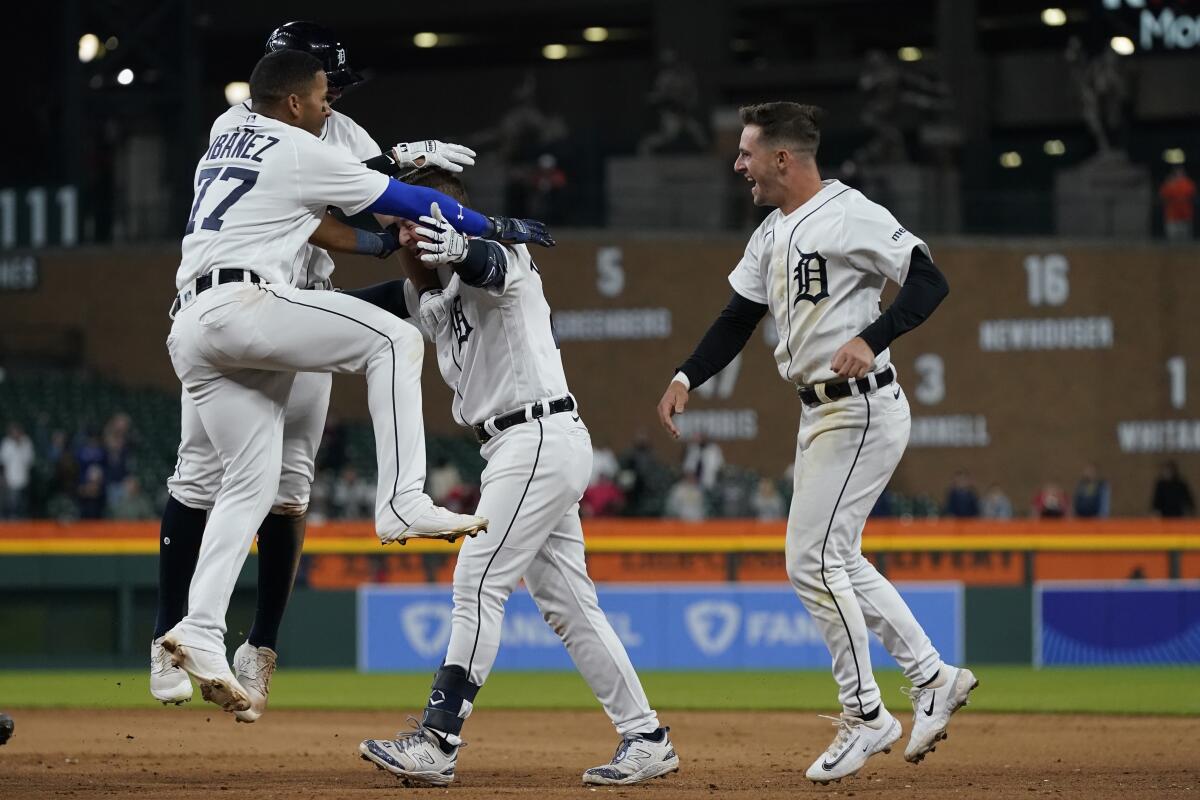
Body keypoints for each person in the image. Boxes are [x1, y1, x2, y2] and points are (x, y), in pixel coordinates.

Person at [159, 49, 553, 716]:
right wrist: (494, 226)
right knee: (395, 338)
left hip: (191, 326)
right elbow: (408, 201)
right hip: (244, 304)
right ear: (290, 104)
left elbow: (346, 210)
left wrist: (382, 205)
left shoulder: (227, 139)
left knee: (251, 484)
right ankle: (401, 499)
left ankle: (197, 628)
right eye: (318, 97)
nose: (326, 107)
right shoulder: (292, 144)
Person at [656, 102, 974, 784]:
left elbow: (929, 278)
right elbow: (737, 317)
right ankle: (933, 678)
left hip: (859, 409)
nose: (738, 164)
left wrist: (872, 337)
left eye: (746, 153)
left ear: (782, 158)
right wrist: (688, 375)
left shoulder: (849, 212)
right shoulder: (771, 232)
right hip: (821, 413)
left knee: (810, 561)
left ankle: (866, 715)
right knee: (838, 560)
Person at [357, 168, 677, 787]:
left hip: (535, 436)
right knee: (570, 609)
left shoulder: (505, 256)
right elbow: (355, 306)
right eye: (398, 226)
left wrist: (458, 239)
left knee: (478, 581)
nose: (403, 236)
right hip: (519, 447)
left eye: (412, 222)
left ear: (444, 220)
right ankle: (646, 736)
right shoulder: (432, 292)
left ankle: (438, 738)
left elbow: (488, 263)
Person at [0, 423, 35, 519]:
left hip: (24, 477)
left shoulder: (27, 442)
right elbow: (3, 462)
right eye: (13, 432)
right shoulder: (6, 443)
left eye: (17, 431)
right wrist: (3, 478)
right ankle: (12, 519)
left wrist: (20, 446)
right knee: (11, 502)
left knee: (23, 502)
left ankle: (21, 520)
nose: (15, 434)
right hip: (10, 478)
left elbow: (30, 460)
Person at [1159, 167, 1195, 242]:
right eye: (1177, 173)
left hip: (1185, 215)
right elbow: (1163, 195)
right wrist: (1170, 184)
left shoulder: (1188, 183)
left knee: (1185, 239)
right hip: (1172, 215)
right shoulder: (1169, 183)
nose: (1179, 175)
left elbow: (1191, 194)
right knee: (1172, 238)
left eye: (1181, 173)